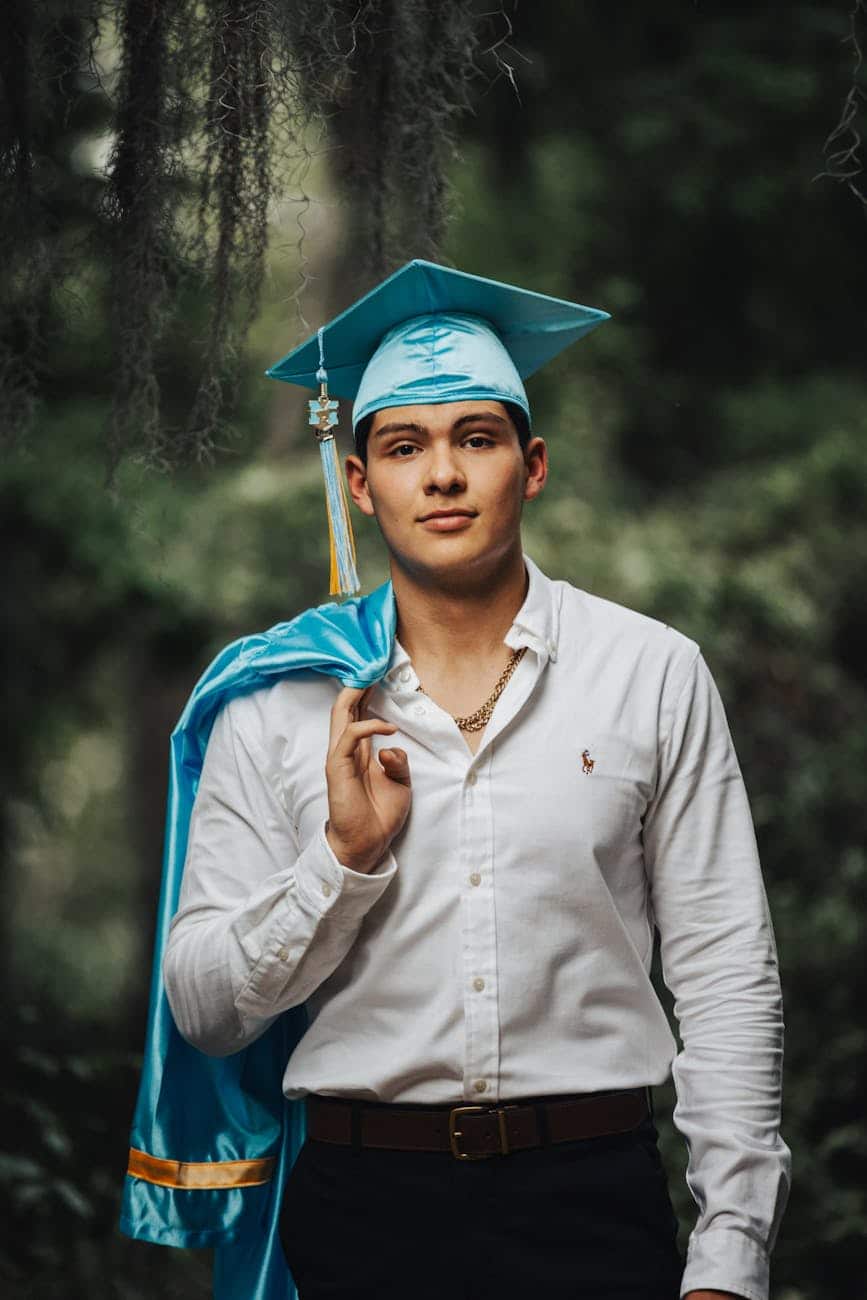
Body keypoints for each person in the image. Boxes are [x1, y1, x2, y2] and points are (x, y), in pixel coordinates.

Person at [126, 261, 791, 1300]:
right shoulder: (277, 701)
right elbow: (205, 1005)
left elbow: (725, 971)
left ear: (530, 465)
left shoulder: (652, 671)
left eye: (474, 438)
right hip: (359, 1213)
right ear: (358, 482)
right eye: (404, 445)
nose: (442, 474)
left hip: (593, 1204)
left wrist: (730, 1257)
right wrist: (341, 861)